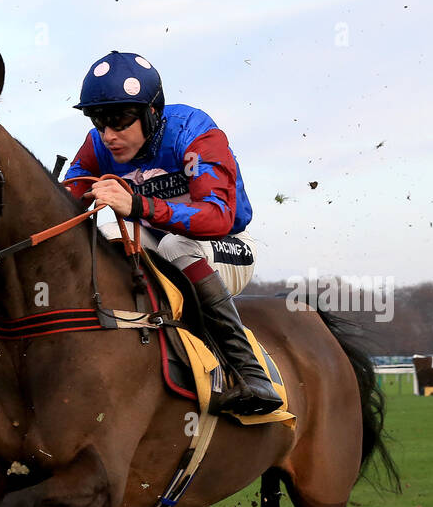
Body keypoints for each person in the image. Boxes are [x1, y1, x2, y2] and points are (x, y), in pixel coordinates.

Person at [64, 52, 280, 416]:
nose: (108, 135)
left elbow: (218, 217)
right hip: (156, 241)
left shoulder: (194, 131)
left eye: (119, 120)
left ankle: (251, 373)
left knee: (176, 245)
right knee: (107, 236)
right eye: (98, 121)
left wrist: (139, 205)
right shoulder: (97, 145)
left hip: (224, 245)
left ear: (151, 112)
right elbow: (64, 204)